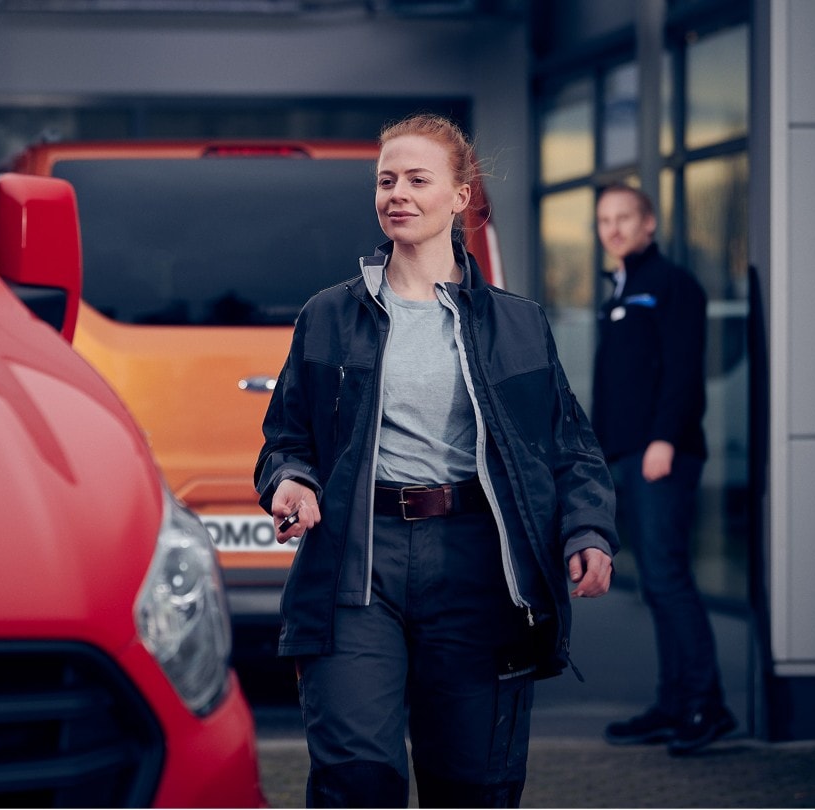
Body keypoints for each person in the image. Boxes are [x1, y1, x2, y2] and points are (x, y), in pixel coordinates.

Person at [254, 113, 618, 809]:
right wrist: (292, 481)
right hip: (358, 565)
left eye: (418, 180)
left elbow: (568, 446)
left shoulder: (517, 323)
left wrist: (589, 532)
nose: (398, 193)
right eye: (386, 181)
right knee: (356, 775)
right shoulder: (328, 316)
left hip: (478, 565)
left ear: (460, 195)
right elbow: (286, 437)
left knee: (473, 783)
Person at [591, 184, 735, 755]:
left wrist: (663, 439)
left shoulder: (673, 285)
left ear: (649, 223)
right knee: (654, 583)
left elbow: (681, 373)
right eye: (605, 219)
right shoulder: (620, 290)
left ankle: (706, 705)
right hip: (625, 455)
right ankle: (675, 703)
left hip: (661, 455)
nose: (614, 228)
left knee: (669, 579)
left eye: (625, 217)